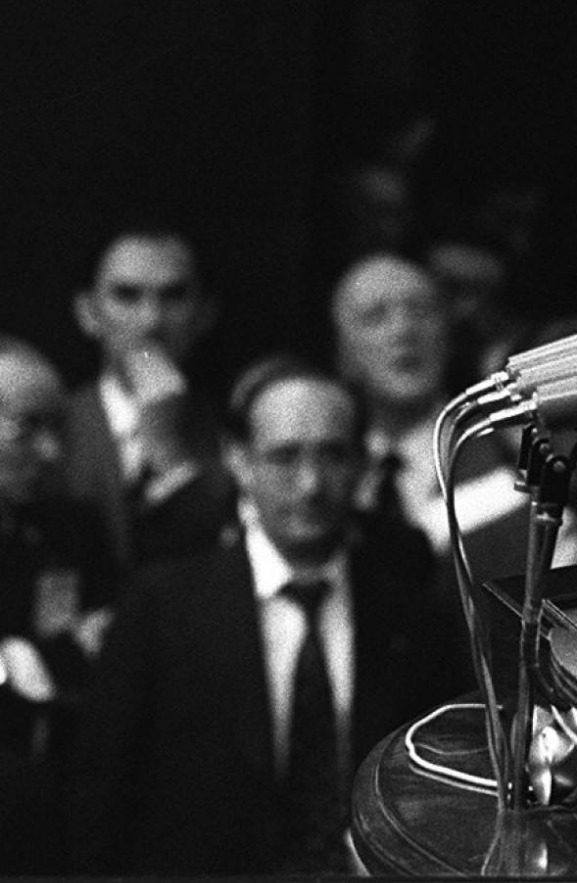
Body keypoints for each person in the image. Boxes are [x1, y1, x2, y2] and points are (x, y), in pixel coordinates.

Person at [69, 357, 465, 874]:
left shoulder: (409, 606)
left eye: (332, 456)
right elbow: (101, 796)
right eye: (283, 457)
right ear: (238, 461)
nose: (310, 485)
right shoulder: (162, 605)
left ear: (363, 463)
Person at [331, 251, 520, 580]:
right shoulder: (331, 468)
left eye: (421, 311)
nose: (404, 330)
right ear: (343, 353)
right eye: (376, 316)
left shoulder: (507, 455)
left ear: (447, 336)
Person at [0, 337, 115, 873]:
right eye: (27, 428)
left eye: (57, 429)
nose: (50, 451)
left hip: (52, 791)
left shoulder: (73, 527)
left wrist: (36, 659)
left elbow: (107, 638)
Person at [63, 224, 236, 568]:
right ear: (88, 313)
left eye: (173, 297)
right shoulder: (53, 428)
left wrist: (164, 446)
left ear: (205, 314)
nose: (151, 321)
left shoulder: (234, 432)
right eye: (126, 296)